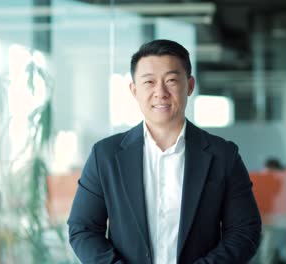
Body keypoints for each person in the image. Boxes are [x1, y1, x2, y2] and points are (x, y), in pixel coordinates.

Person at [67, 39, 261, 263]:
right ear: (134, 90)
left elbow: (245, 232)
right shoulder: (106, 156)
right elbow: (83, 230)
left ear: (189, 86)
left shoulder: (223, 156)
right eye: (149, 82)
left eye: (171, 80)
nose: (160, 92)